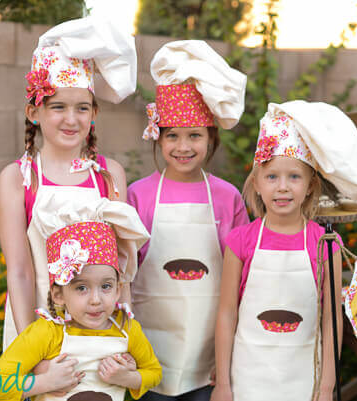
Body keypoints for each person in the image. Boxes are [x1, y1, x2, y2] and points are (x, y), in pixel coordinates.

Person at [0, 15, 138, 350]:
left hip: (98, 330)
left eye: (82, 108)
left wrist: (124, 337)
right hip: (35, 325)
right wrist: (34, 350)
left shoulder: (109, 174)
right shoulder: (18, 178)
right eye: (58, 106)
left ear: (94, 114)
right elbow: (19, 272)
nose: (71, 119)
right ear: (35, 112)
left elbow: (122, 265)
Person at [211, 101, 357, 401]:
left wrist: (326, 387)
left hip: (303, 381)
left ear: (310, 185)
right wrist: (223, 384)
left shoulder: (325, 244)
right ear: (256, 183)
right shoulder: (240, 241)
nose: (282, 187)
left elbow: (332, 320)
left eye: (294, 176)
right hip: (247, 380)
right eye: (272, 177)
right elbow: (227, 314)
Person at [127, 40, 248, 400]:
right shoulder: (139, 195)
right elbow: (123, 275)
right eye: (172, 136)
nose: (183, 146)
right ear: (158, 138)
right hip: (147, 354)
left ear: (211, 139)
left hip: (210, 357)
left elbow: (240, 280)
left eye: (194, 135)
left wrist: (227, 360)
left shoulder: (228, 197)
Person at [0, 197, 159, 401]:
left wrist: (129, 378)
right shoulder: (46, 333)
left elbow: (154, 373)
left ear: (118, 290)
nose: (96, 300)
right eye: (82, 288)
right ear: (59, 295)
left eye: (106, 286)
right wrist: (43, 383)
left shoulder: (127, 329)